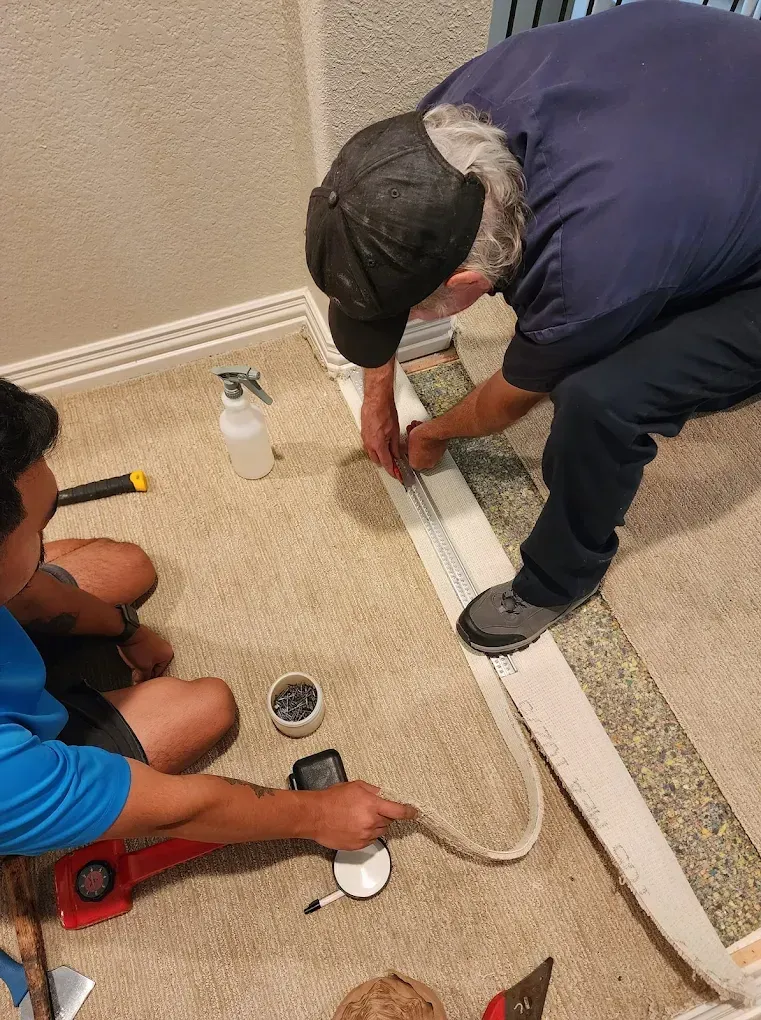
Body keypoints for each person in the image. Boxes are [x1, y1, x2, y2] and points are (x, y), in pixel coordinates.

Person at [304, 0, 761, 655]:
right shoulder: (433, 132)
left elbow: (510, 398)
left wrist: (431, 434)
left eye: (406, 314)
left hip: (708, 187)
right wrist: (378, 387)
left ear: (463, 288)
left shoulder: (583, 268)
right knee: (631, 295)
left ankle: (558, 579)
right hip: (712, 103)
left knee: (598, 399)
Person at [0, 379, 415, 857]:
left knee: (128, 566)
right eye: (38, 529)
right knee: (207, 705)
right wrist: (320, 814)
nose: (46, 542)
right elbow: (182, 810)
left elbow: (31, 595)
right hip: (17, 766)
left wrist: (126, 627)